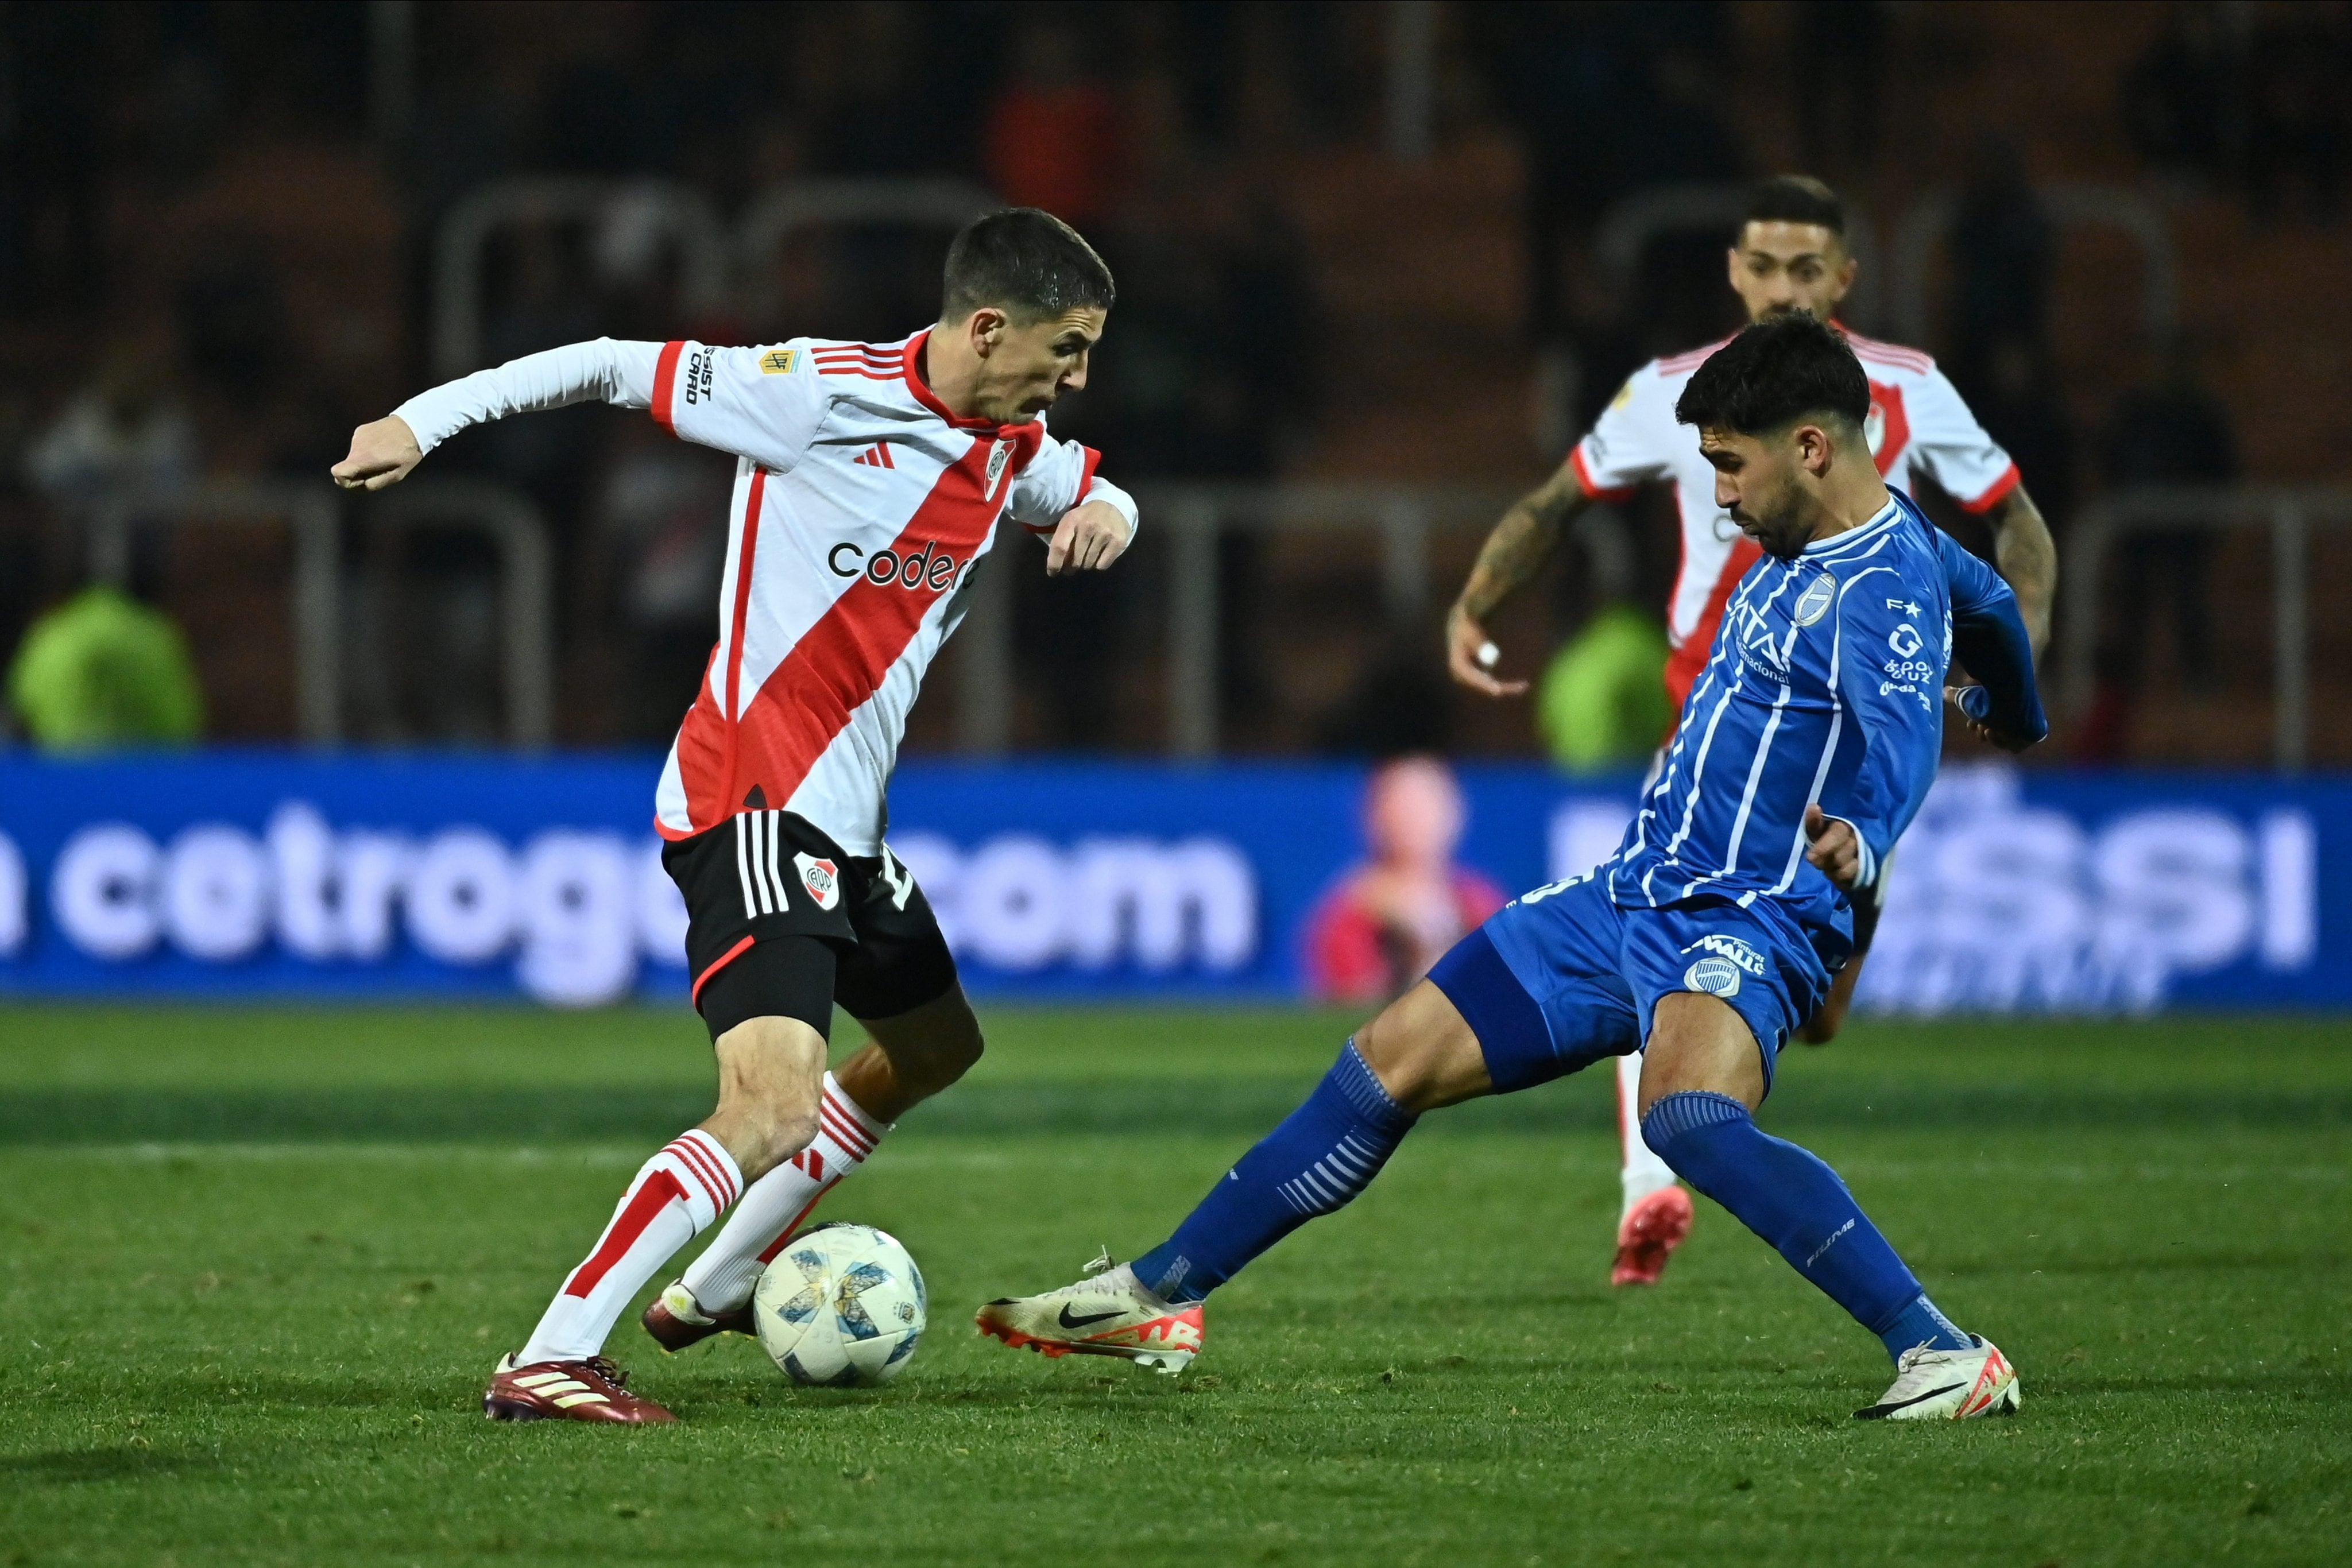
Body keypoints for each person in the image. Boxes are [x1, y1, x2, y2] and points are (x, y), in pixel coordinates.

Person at [978, 315, 2048, 1422]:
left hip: (1753, 913)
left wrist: (1867, 830)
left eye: (1732, 466)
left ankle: (1942, 1351)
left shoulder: (1877, 581)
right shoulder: (1865, 543)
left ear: (1813, 449)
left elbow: (1901, 735)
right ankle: (1159, 1293)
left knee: (1687, 1119)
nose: (1721, 496)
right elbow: (1996, 603)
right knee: (1384, 1059)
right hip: (1633, 892)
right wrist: (2017, 712)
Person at [332, 209, 1139, 1425]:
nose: (1077, 379)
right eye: (1066, 349)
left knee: (933, 1049)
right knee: (768, 1104)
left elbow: (1104, 492)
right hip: (754, 802)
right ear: (988, 327)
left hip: (847, 831)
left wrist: (1098, 518)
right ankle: (552, 1353)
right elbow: (606, 361)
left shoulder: (1009, 444)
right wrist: (421, 421)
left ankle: (708, 1287)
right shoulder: (811, 391)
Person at [1444, 175, 2058, 1288]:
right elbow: (1557, 501)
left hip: (1850, 737)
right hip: (1710, 709)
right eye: (1762, 266)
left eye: (1805, 268)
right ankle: (1652, 1176)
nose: (1782, 288)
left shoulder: (1906, 391)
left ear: (1843, 278)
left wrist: (2003, 669)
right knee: (1656, 918)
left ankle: (1719, 1109)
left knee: (1817, 1021)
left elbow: (2012, 522)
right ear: (1731, 270)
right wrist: (1475, 603)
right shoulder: (1672, 394)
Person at [1302, 756, 1507, 1003]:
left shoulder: (1481, 904)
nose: (1415, 821)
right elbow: (1350, 1003)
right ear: (1374, 817)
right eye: (1402, 807)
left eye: (1428, 806)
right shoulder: (1351, 914)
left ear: (1455, 815)